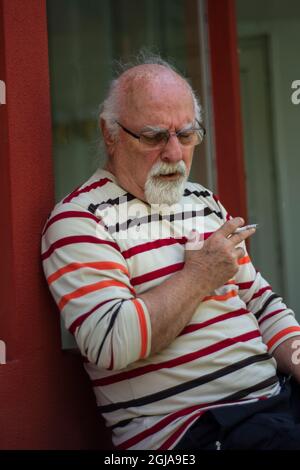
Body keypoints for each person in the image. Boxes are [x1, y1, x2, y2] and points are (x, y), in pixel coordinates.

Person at [41, 54, 300, 450]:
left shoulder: (202, 200)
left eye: (187, 134)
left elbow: (262, 302)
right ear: (109, 133)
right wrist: (198, 277)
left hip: (274, 403)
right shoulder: (80, 220)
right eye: (154, 136)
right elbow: (112, 343)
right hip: (192, 433)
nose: (175, 154)